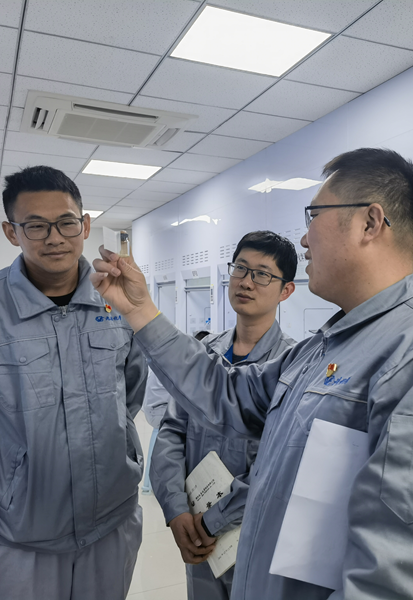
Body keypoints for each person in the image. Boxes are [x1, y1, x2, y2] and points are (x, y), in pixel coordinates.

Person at [92, 148, 413, 599]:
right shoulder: (324, 348)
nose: (305, 239)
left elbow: (401, 582)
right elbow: (225, 393)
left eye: (314, 216)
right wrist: (141, 312)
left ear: (370, 223)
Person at [0, 166, 148, 600]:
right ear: (11, 232)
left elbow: (130, 391)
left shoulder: (116, 300)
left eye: (66, 222)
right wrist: (13, 479)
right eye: (35, 225)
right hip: (23, 537)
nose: (54, 238)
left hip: (111, 520)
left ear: (84, 225)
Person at [150, 231, 297, 600]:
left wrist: (213, 521)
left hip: (252, 535)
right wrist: (176, 510)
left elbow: (278, 465)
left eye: (262, 274)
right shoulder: (203, 353)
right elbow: (171, 430)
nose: (246, 282)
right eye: (240, 269)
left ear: (286, 291)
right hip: (197, 534)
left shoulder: (291, 368)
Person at [140, 330, 211, 496]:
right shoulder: (183, 363)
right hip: (158, 410)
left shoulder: (178, 357)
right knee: (199, 424)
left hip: (154, 407)